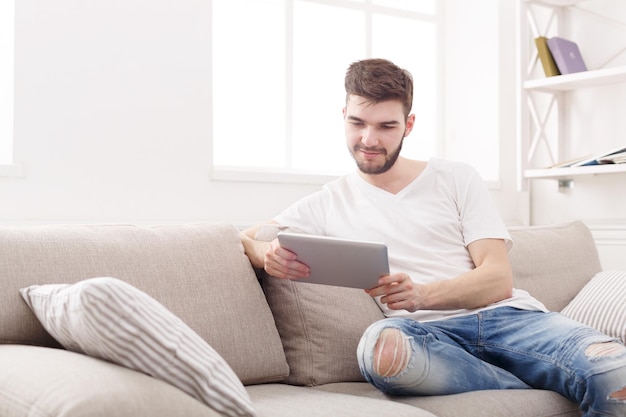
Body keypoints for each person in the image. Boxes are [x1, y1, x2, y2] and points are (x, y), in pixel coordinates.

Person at [240, 58, 626, 416]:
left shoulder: (455, 178)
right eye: (358, 123)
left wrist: (422, 294)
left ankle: (538, 373)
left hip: (510, 321)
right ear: (343, 117)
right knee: (381, 350)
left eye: (386, 126)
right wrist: (265, 253)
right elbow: (246, 237)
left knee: (616, 373)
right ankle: (520, 380)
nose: (369, 139)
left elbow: (497, 279)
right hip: (423, 338)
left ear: (408, 125)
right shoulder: (326, 202)